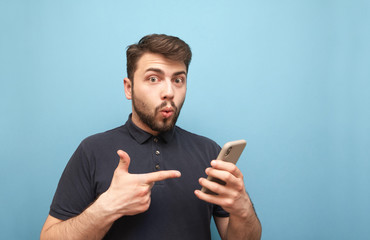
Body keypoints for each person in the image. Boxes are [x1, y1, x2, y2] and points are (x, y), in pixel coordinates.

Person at [40, 34, 262, 240]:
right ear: (129, 88)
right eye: (153, 78)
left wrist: (242, 208)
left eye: (178, 80)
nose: (169, 92)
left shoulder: (209, 152)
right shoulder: (92, 150)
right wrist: (106, 207)